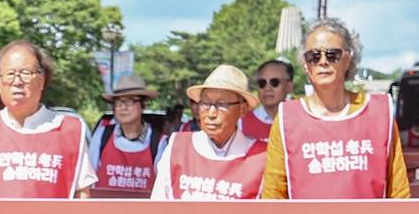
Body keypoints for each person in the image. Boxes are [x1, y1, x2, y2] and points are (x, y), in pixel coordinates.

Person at [261, 18, 410, 199]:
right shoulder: (286, 119)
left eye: (332, 55)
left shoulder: (380, 113)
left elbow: (399, 192)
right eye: (314, 57)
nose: (323, 62)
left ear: (348, 59)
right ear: (306, 65)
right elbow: (273, 196)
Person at [0, 40, 97, 199]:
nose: (17, 82)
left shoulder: (70, 130)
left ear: (41, 80)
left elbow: (82, 193)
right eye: (10, 74)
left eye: (25, 73)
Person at [149, 64, 267, 200]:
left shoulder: (260, 157)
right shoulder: (178, 147)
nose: (211, 113)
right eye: (205, 103)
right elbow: (159, 203)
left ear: (243, 109)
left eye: (221, 105)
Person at [88, 74, 166, 196]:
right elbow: (89, 178)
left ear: (143, 105)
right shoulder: (102, 135)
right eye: (118, 102)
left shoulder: (158, 142)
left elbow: (163, 186)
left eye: (129, 101)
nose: (123, 107)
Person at [241, 58, 293, 141]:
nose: (267, 88)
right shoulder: (242, 123)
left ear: (289, 86)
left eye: (274, 82)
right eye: (262, 83)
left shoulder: (300, 120)